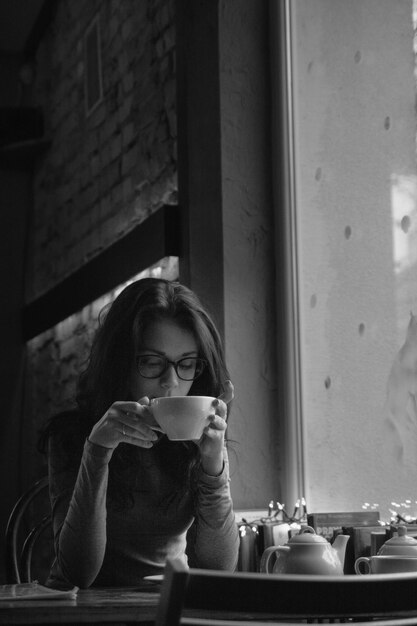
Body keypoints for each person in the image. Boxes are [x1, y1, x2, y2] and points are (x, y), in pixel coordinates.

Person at [40, 278, 239, 588]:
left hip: (162, 606)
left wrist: (215, 466)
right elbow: (78, 574)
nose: (171, 382)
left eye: (186, 363)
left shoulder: (194, 439)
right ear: (119, 362)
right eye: (151, 361)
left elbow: (219, 567)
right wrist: (97, 452)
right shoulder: (72, 435)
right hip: (84, 611)